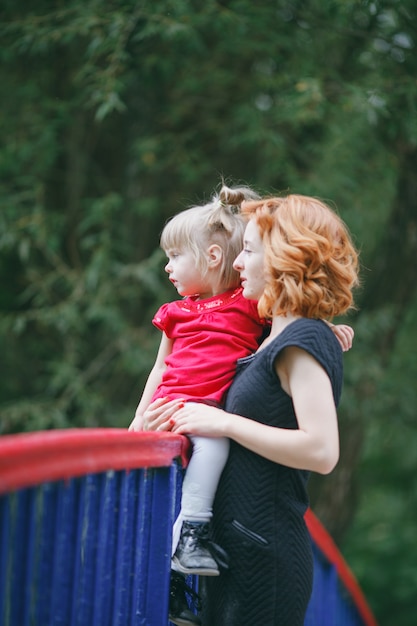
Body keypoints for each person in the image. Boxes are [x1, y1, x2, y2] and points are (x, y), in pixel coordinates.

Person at [140, 192, 359, 626]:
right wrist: (152, 419)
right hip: (238, 554)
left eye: (251, 252)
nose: (237, 263)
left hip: (265, 559)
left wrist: (224, 422)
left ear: (283, 258)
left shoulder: (304, 340)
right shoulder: (272, 341)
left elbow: (322, 451)